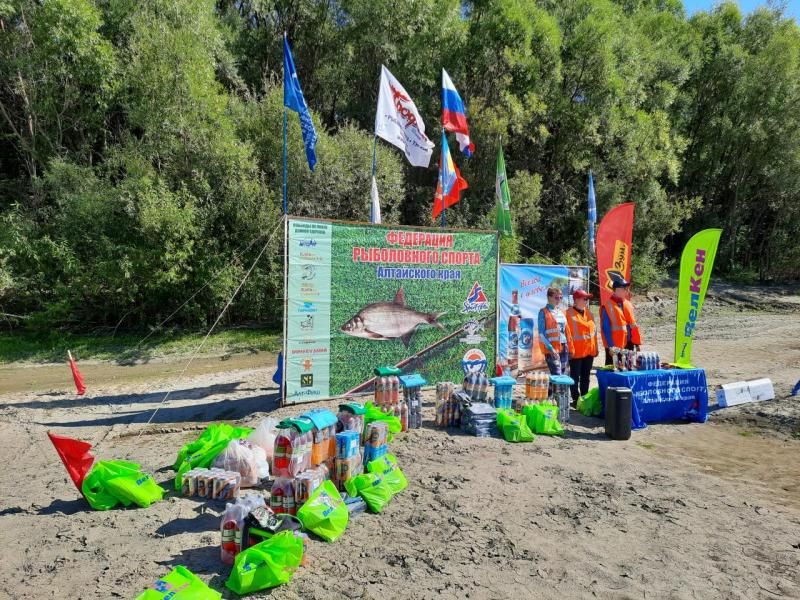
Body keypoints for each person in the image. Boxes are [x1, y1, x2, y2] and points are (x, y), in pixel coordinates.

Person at [565, 289, 598, 405]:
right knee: (574, 377)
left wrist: (596, 348)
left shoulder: (589, 313)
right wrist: (569, 350)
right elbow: (566, 335)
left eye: (587, 299)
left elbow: (594, 333)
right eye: (585, 298)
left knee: (586, 376)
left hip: (589, 351)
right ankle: (575, 399)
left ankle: (584, 398)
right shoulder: (567, 314)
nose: (586, 301)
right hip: (576, 352)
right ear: (576, 300)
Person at [600, 278, 642, 365]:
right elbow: (606, 328)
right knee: (613, 370)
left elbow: (632, 324)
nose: (627, 291)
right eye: (625, 289)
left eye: (627, 289)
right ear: (617, 290)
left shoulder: (628, 304)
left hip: (629, 344)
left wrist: (636, 344)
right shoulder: (607, 306)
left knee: (629, 368)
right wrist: (611, 346)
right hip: (615, 346)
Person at [538, 287, 574, 375]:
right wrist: (550, 349)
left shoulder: (561, 312)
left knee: (564, 375)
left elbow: (567, 331)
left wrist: (570, 347)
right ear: (549, 297)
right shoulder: (543, 312)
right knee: (557, 375)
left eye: (560, 297)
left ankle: (553, 386)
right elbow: (541, 334)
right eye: (556, 297)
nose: (559, 300)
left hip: (564, 347)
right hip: (552, 348)